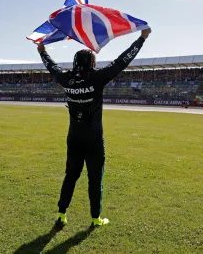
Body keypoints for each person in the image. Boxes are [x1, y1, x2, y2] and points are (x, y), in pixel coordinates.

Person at [37, 28, 152, 228]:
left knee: (70, 176)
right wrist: (141, 39)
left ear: (75, 63)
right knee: (95, 178)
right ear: (91, 63)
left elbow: (51, 66)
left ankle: (61, 214)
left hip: (74, 137)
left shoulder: (66, 79)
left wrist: (42, 51)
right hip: (94, 139)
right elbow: (122, 61)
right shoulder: (97, 78)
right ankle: (95, 218)